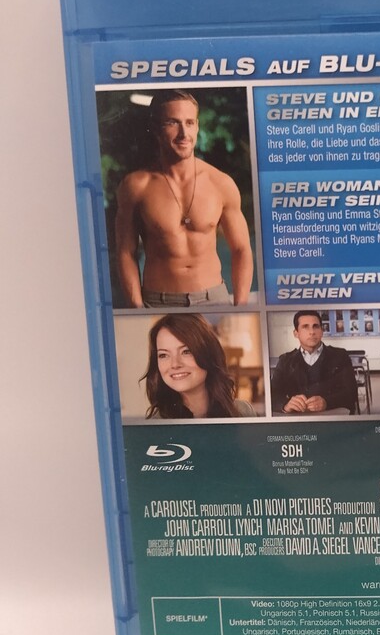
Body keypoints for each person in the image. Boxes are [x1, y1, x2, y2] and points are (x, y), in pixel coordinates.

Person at [115, 90, 253, 308]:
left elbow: (241, 249)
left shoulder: (221, 183)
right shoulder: (136, 186)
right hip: (157, 302)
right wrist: (137, 308)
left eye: (189, 123)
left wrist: (241, 305)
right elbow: (125, 253)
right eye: (172, 123)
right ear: (155, 128)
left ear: (197, 126)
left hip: (214, 300)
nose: (183, 133)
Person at [143, 314, 255, 419]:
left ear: (207, 353)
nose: (175, 364)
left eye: (186, 351)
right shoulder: (155, 426)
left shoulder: (243, 412)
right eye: (163, 355)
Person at [270, 311, 357, 414]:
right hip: (298, 420)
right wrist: (285, 405)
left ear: (322, 331)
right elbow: (272, 395)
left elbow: (351, 393)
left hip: (331, 417)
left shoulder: (340, 356)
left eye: (316, 326)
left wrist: (326, 402)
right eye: (305, 327)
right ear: (296, 333)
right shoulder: (285, 361)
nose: (312, 332)